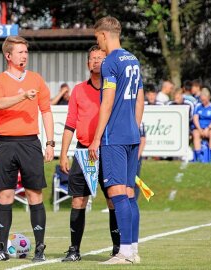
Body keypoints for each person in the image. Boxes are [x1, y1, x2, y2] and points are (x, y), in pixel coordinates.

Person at [0, 36, 54, 262]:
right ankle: (1, 249)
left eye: (26, 51)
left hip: (30, 143)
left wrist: (50, 143)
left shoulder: (36, 79)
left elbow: (46, 111)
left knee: (35, 193)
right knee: (4, 194)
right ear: (8, 56)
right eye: (20, 52)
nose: (24, 55)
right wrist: (23, 95)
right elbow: (0, 103)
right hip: (5, 144)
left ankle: (40, 250)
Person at [89, 16, 144, 264]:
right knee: (129, 193)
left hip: (115, 136)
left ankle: (123, 252)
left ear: (103, 35)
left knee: (116, 192)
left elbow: (107, 102)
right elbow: (140, 97)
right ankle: (132, 250)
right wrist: (136, 127)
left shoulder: (110, 62)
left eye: (96, 37)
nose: (97, 43)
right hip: (132, 133)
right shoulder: (132, 59)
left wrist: (96, 138)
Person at [59, 45, 120, 262]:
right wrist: (63, 153)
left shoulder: (114, 88)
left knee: (113, 200)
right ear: (87, 64)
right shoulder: (78, 90)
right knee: (78, 201)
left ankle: (118, 249)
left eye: (101, 58)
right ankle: (74, 250)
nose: (96, 61)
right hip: (83, 152)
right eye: (93, 58)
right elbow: (70, 124)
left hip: (109, 151)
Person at [192, 88, 211, 162]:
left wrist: (207, 128)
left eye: (204, 100)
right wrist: (200, 129)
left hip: (209, 128)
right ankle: (198, 157)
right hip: (199, 127)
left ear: (208, 98)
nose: (203, 102)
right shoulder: (198, 106)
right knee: (196, 134)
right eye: (202, 100)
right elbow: (195, 118)